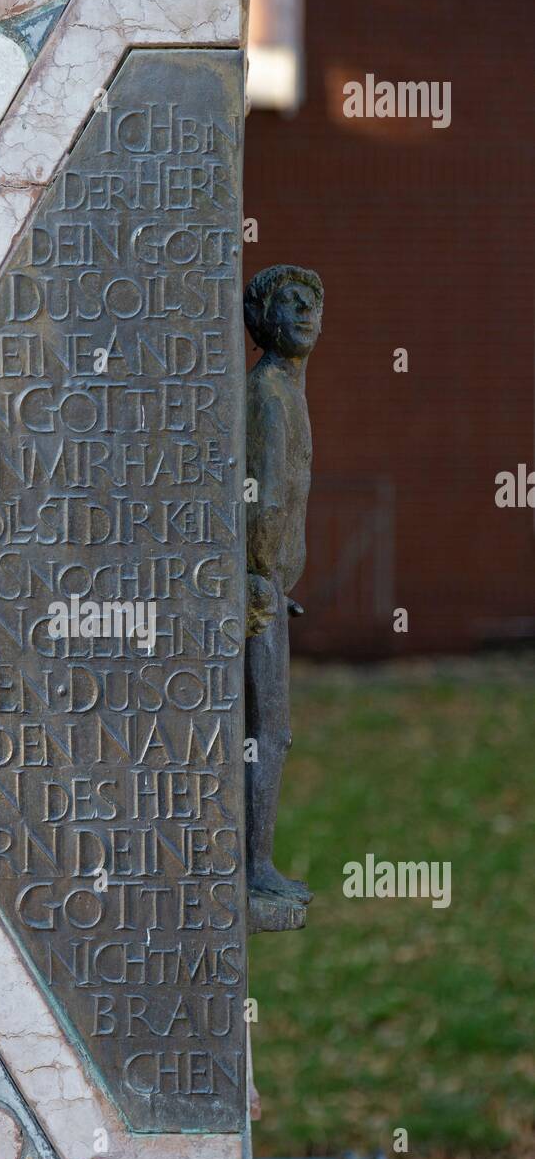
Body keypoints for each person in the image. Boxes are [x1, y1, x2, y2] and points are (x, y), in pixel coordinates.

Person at [243, 264, 323, 904]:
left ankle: (254, 863)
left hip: (272, 584)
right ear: (262, 319)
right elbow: (263, 496)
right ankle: (253, 867)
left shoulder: (287, 389)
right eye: (288, 303)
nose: (302, 312)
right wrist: (259, 574)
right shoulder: (269, 390)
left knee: (268, 730)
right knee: (269, 732)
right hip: (259, 589)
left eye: (312, 303)